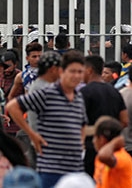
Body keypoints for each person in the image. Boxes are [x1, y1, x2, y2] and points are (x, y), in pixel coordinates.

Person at [5, 50, 88, 188]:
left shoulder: (78, 96)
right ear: (61, 71)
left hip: (75, 168)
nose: (76, 76)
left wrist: (81, 143)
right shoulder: (48, 92)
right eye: (72, 71)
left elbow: (82, 123)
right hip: (52, 167)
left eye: (80, 72)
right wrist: (32, 134)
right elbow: (13, 106)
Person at [81, 55, 128, 177]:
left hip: (90, 149)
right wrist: (110, 132)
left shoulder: (84, 93)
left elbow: (75, 123)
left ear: (89, 70)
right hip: (112, 149)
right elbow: (125, 120)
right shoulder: (114, 91)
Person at [92, 117, 132, 188]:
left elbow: (104, 156)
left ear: (102, 139)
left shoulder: (122, 157)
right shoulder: (99, 157)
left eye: (95, 137)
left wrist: (115, 142)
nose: (93, 141)